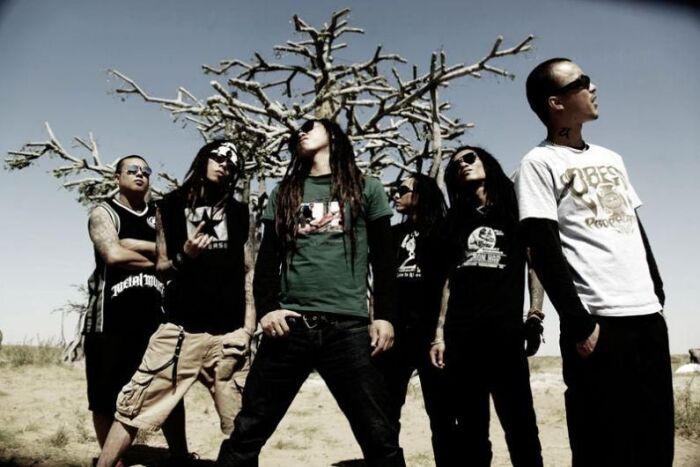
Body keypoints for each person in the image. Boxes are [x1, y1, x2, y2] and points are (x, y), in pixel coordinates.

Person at [217, 118, 405, 467]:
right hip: (290, 325)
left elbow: (384, 260)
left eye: (308, 126)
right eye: (297, 131)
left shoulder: (366, 187)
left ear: (332, 135)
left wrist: (385, 316)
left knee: (379, 435)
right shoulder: (285, 191)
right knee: (248, 430)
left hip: (347, 328)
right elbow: (267, 259)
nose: (300, 132)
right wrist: (268, 309)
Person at [514, 58, 673, 467]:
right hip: (598, 320)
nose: (593, 86)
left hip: (646, 315)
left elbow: (634, 227)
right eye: (581, 82)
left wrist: (656, 291)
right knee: (603, 445)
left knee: (655, 440)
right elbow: (542, 245)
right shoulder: (538, 163)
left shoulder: (612, 157)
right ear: (556, 102)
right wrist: (577, 321)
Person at [96, 140, 254, 467]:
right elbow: (163, 267)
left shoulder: (239, 212)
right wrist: (187, 255)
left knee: (242, 423)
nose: (225, 163)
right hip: (180, 330)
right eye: (218, 156)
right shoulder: (169, 206)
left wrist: (248, 329)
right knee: (133, 406)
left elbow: (249, 269)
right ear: (203, 158)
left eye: (232, 162)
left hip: (228, 334)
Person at [430, 146, 544, 467]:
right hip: (462, 337)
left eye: (469, 158)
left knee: (521, 426)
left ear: (487, 163)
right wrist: (439, 335)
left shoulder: (514, 211)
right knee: (471, 431)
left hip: (506, 334)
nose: (462, 165)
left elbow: (535, 265)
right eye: (455, 165)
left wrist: (535, 314)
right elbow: (447, 282)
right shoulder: (455, 220)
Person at [85, 154, 187, 464]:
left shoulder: (159, 216)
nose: (140, 174)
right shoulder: (104, 213)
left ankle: (180, 456)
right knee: (105, 396)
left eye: (146, 170)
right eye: (132, 170)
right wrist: (161, 261)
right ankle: (114, 461)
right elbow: (114, 255)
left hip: (154, 320)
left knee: (167, 390)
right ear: (117, 177)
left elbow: (179, 253)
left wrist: (137, 245)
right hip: (109, 319)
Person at [377, 173, 456, 466]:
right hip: (395, 334)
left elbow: (450, 283)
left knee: (442, 413)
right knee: (385, 412)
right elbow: (381, 284)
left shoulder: (444, 232)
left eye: (403, 190)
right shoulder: (392, 235)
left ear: (421, 195)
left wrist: (441, 332)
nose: (396, 195)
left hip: (431, 335)